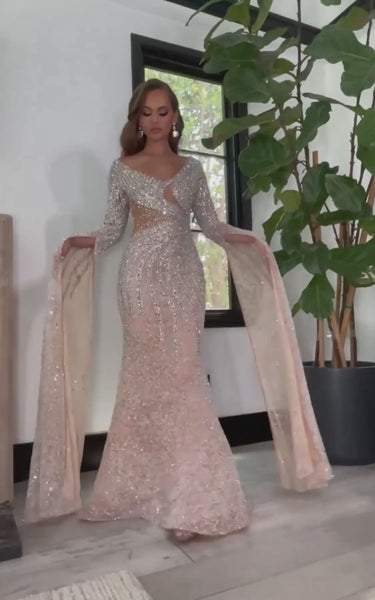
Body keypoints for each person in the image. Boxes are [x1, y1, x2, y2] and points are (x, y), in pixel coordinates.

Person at [25, 79, 332, 541]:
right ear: (137, 119)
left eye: (162, 112)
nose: (154, 120)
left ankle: (194, 500)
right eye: (146, 113)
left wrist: (244, 239)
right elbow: (112, 230)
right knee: (143, 380)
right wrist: (81, 241)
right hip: (139, 281)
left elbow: (210, 224)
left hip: (185, 279)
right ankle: (144, 487)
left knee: (185, 375)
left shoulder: (192, 170)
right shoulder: (122, 168)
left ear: (174, 117)